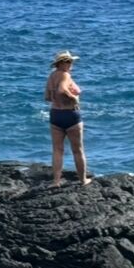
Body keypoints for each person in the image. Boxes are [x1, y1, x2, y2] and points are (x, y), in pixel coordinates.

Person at [44, 50, 90, 186]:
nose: (71, 64)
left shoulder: (51, 76)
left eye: (71, 61)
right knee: (78, 150)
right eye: (69, 61)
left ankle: (56, 181)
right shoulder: (65, 75)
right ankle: (83, 180)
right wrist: (74, 98)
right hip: (70, 114)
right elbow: (62, 90)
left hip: (55, 114)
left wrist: (57, 99)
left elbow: (47, 97)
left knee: (57, 150)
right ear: (62, 63)